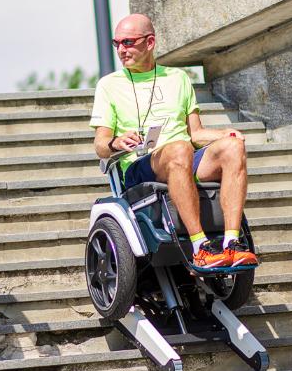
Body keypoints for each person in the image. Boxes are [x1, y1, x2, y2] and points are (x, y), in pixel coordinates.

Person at [90, 14, 258, 269]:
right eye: (117, 44)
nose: (121, 50)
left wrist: (226, 134)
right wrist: (116, 141)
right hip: (141, 166)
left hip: (184, 159)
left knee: (232, 146)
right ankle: (200, 246)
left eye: (128, 42)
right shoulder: (109, 85)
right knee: (179, 149)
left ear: (149, 42)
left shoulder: (178, 78)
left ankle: (232, 243)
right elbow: (100, 145)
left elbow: (196, 134)